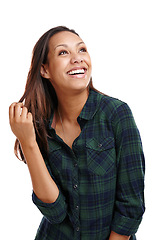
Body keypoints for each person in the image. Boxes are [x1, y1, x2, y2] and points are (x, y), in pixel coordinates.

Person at [9, 26, 145, 240]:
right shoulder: (39, 125)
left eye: (82, 50)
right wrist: (28, 143)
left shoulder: (116, 114)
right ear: (45, 70)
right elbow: (55, 211)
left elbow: (131, 206)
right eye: (63, 52)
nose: (77, 59)